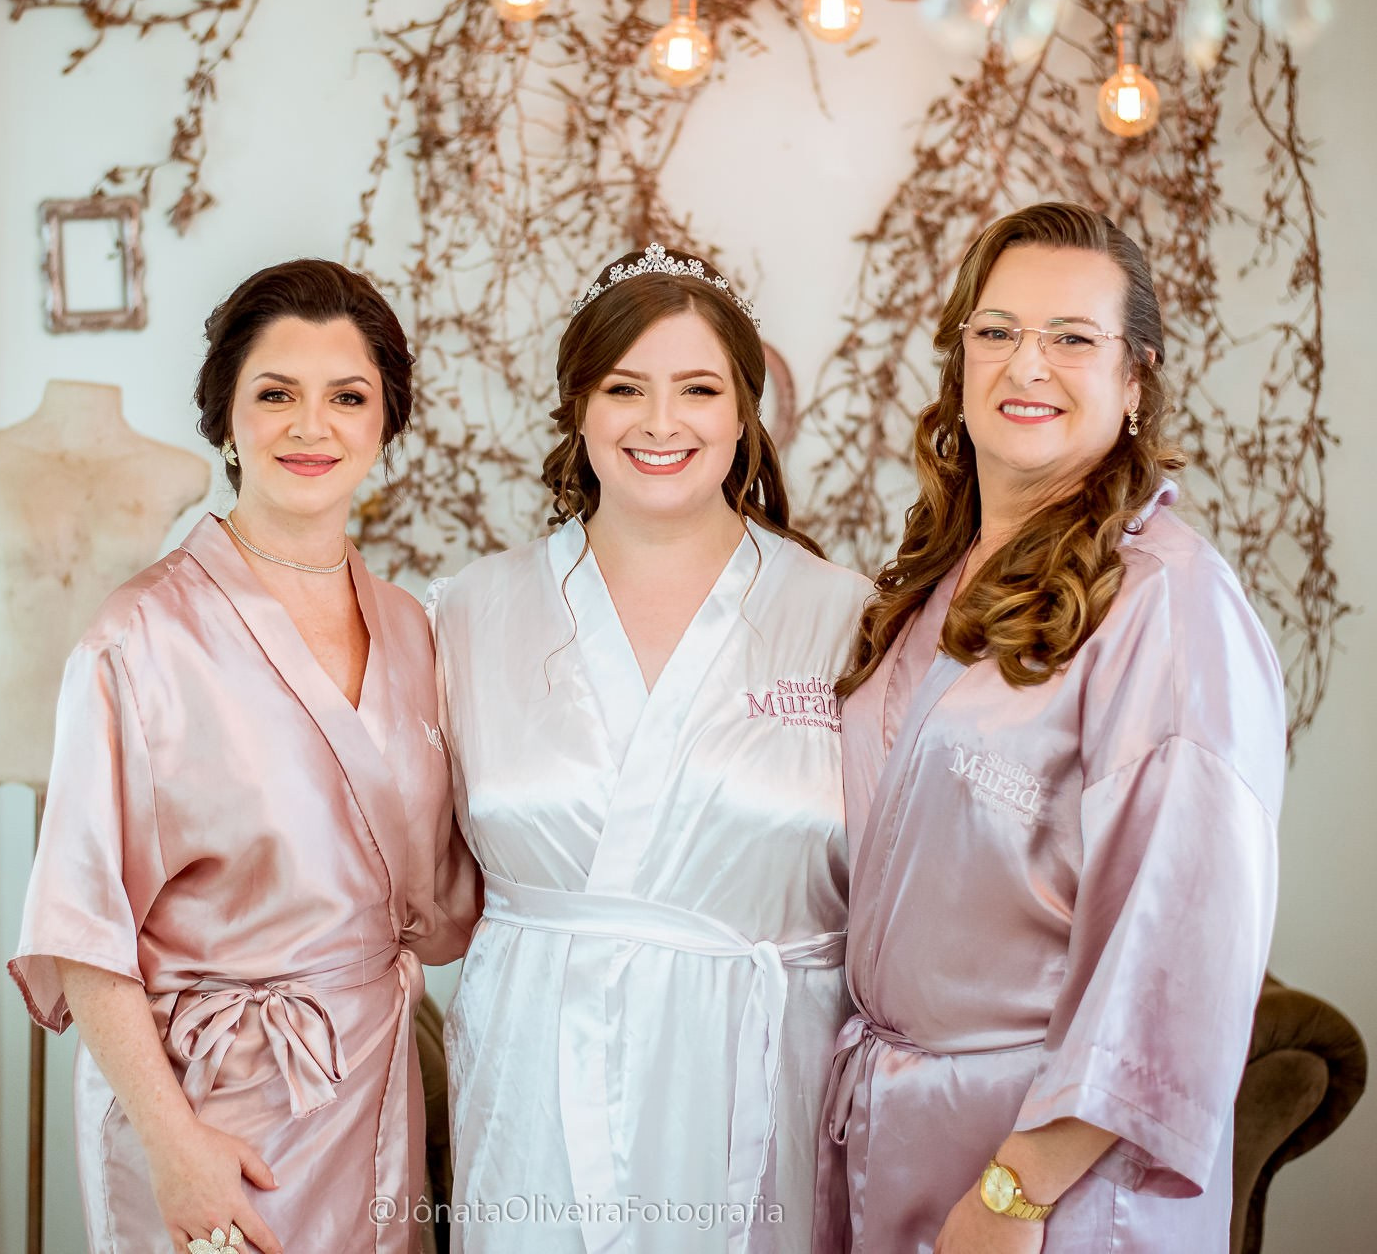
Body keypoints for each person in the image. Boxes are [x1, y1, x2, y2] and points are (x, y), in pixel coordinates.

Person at [814, 203, 1286, 1254]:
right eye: (997, 332)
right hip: (889, 1132)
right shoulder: (926, 587)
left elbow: (1178, 946)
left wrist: (1014, 1191)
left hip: (1048, 1172)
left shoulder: (1168, 604)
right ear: (960, 360)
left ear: (1131, 379)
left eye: (1072, 338)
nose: (1027, 363)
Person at [9, 259, 481, 1254]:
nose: (311, 426)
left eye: (347, 396)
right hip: (207, 1104)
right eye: (275, 394)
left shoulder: (413, 628)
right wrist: (173, 1140)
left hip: (373, 1086)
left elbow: (447, 895)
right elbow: (82, 927)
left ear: (384, 424)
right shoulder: (138, 636)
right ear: (224, 416)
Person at [430, 245, 871, 1253]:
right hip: (535, 1079)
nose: (660, 421)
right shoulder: (464, 612)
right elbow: (409, 877)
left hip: (769, 1077)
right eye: (623, 386)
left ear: (743, 411)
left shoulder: (848, 617)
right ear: (577, 406)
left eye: (698, 388)